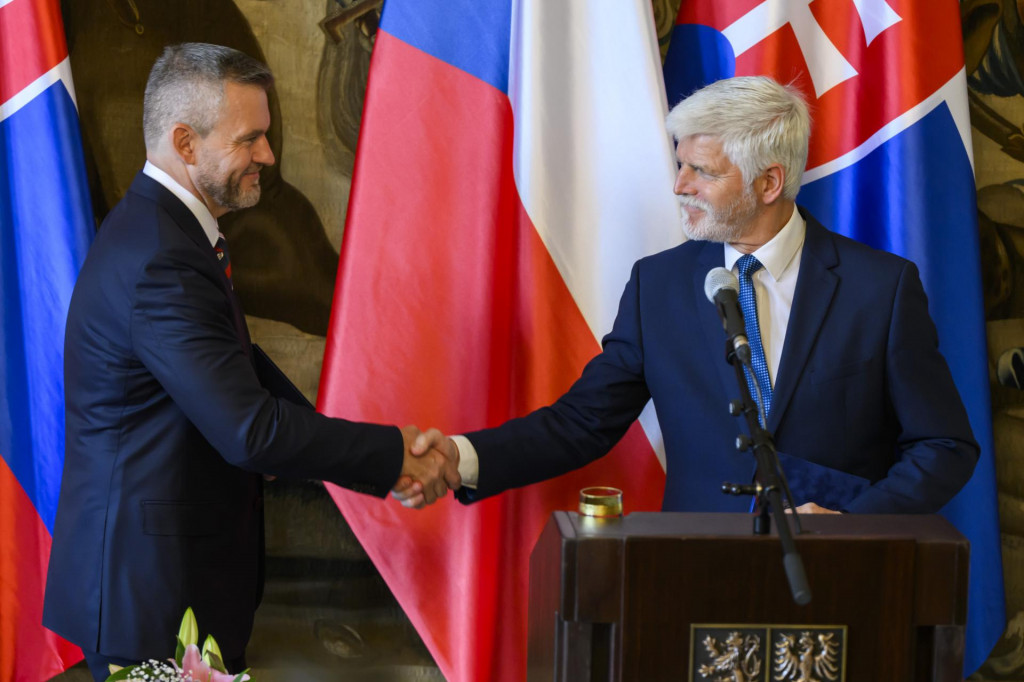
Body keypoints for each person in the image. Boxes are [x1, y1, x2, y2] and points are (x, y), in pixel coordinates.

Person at [42, 43, 455, 681]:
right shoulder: (161, 257)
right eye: (250, 139)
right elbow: (249, 429)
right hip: (150, 599)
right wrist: (391, 454)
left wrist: (363, 445)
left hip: (168, 584)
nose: (268, 155)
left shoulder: (168, 232)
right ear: (185, 142)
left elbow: (236, 369)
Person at [393, 75, 978, 516]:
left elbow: (945, 444)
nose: (679, 186)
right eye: (680, 165)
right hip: (695, 578)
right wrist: (461, 457)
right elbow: (581, 423)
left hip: (842, 585)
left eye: (702, 171)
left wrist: (856, 524)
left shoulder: (881, 288)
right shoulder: (658, 286)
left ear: (769, 182)